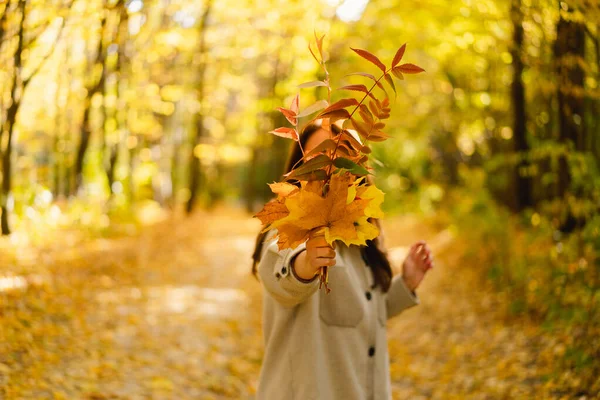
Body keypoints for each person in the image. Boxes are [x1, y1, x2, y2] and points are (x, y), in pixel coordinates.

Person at [251, 120, 434, 400]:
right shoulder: (288, 227)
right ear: (299, 165)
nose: (329, 163)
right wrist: (307, 265)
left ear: (356, 166)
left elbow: (365, 313)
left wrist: (406, 283)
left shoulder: (360, 236)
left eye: (340, 154)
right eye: (318, 155)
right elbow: (281, 273)